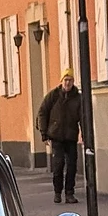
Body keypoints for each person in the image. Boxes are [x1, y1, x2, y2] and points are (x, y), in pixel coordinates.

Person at [37, 70, 84, 204]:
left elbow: (83, 117)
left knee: (72, 166)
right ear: (61, 81)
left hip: (71, 136)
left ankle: (69, 193)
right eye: (65, 80)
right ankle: (57, 192)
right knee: (58, 165)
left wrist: (85, 135)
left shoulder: (78, 98)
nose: (68, 83)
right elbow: (42, 112)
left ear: (73, 82)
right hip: (56, 136)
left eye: (70, 80)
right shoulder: (53, 95)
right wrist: (44, 133)